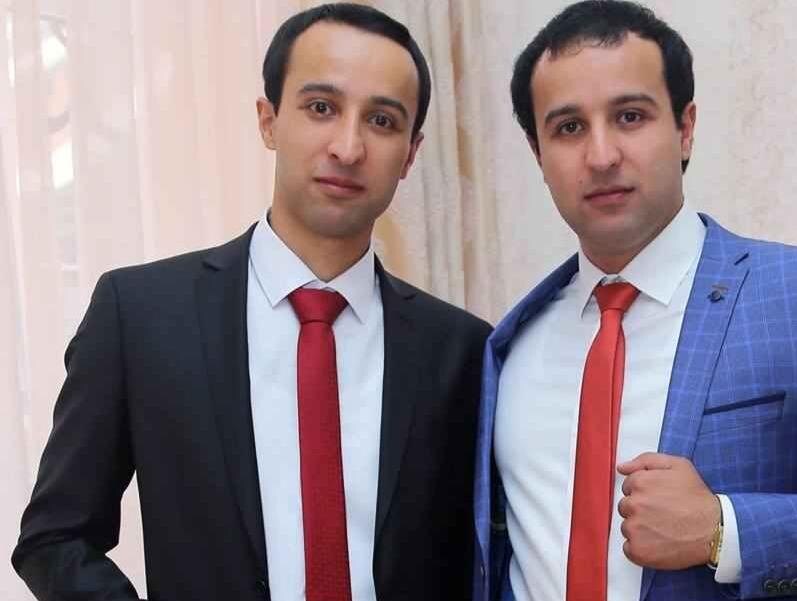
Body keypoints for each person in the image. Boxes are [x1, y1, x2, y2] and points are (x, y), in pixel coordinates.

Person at [472, 2, 797, 600]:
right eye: (569, 127)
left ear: (685, 128)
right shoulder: (510, 344)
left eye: (629, 116)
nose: (601, 156)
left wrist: (725, 531)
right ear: (538, 152)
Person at [13, 4, 490, 600]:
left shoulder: (463, 351)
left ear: (410, 154)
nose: (348, 147)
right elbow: (55, 538)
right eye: (321, 108)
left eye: (382, 121)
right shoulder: (140, 316)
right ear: (269, 121)